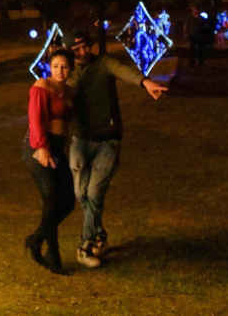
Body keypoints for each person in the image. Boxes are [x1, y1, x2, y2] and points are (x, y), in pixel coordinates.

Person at [68, 32, 167, 268]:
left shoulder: (104, 64)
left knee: (93, 194)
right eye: (76, 50)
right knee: (81, 195)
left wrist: (145, 82)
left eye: (85, 47)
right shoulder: (68, 73)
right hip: (79, 140)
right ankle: (100, 233)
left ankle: (85, 246)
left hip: (107, 140)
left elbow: (123, 70)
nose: (82, 53)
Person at [22, 49, 75, 275]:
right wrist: (41, 147)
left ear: (70, 68)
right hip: (38, 146)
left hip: (58, 148)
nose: (60, 71)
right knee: (52, 198)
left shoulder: (70, 91)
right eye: (55, 66)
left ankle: (36, 239)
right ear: (49, 68)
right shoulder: (42, 87)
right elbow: (35, 119)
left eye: (64, 66)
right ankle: (53, 256)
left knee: (69, 201)